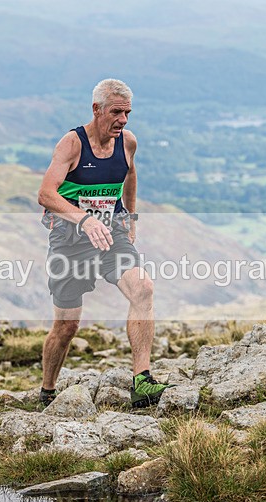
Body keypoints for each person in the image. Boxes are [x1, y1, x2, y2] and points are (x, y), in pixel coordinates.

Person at [36, 78, 173, 409]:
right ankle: (48, 389)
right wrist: (84, 219)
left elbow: (130, 174)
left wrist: (131, 216)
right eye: (116, 112)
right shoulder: (72, 144)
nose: (123, 120)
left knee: (143, 288)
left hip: (111, 235)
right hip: (69, 241)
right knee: (67, 326)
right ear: (96, 109)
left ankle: (142, 382)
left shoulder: (127, 143)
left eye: (128, 113)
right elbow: (45, 194)